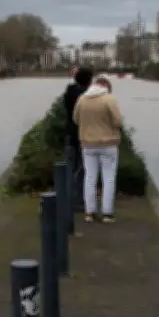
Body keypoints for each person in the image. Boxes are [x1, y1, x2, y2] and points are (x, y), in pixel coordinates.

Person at [73, 74, 122, 223]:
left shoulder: (82, 99)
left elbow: (75, 119)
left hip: (88, 144)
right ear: (106, 86)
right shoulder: (109, 99)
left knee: (90, 177)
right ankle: (107, 213)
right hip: (108, 144)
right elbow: (118, 121)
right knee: (108, 178)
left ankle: (90, 212)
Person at [63, 67, 94, 210]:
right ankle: (78, 200)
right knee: (83, 168)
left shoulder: (69, 91)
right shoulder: (87, 95)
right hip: (84, 134)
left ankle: (69, 197)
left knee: (71, 165)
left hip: (71, 132)